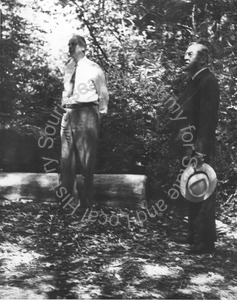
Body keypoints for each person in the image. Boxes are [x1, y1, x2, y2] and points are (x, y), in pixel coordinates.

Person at [173, 43, 220, 253]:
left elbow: (208, 120)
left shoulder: (208, 81)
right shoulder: (193, 81)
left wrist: (200, 150)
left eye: (190, 54)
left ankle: (204, 242)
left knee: (203, 190)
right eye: (185, 52)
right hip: (189, 145)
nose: (185, 57)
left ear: (203, 59)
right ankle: (193, 236)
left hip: (201, 146)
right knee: (191, 188)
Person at [60, 35, 109, 208]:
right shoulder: (68, 67)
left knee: (87, 159)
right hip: (69, 112)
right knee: (66, 158)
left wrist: (97, 114)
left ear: (83, 47)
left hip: (87, 112)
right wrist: (65, 107)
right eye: (69, 44)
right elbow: (66, 92)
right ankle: (68, 201)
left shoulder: (94, 68)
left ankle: (86, 202)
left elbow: (103, 94)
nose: (70, 47)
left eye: (73, 44)